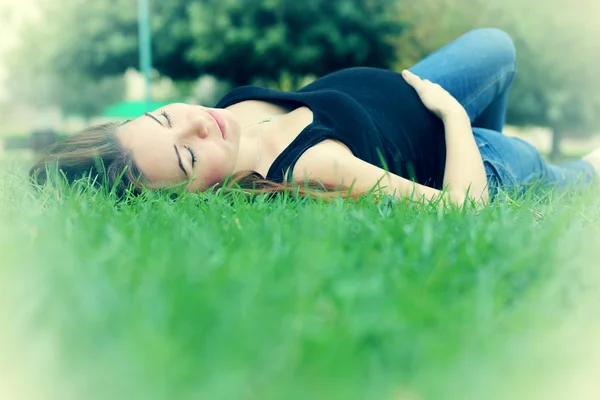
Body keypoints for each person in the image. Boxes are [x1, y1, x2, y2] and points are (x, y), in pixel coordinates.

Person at [30, 28, 600, 206]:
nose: (198, 125)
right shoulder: (308, 166)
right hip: (463, 144)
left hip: (421, 88)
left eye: (163, 118)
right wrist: (454, 123)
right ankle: (481, 156)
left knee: (495, 45)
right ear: (197, 191)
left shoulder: (225, 110)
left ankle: (472, 147)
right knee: (572, 175)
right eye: (187, 155)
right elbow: (460, 210)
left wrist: (441, 101)